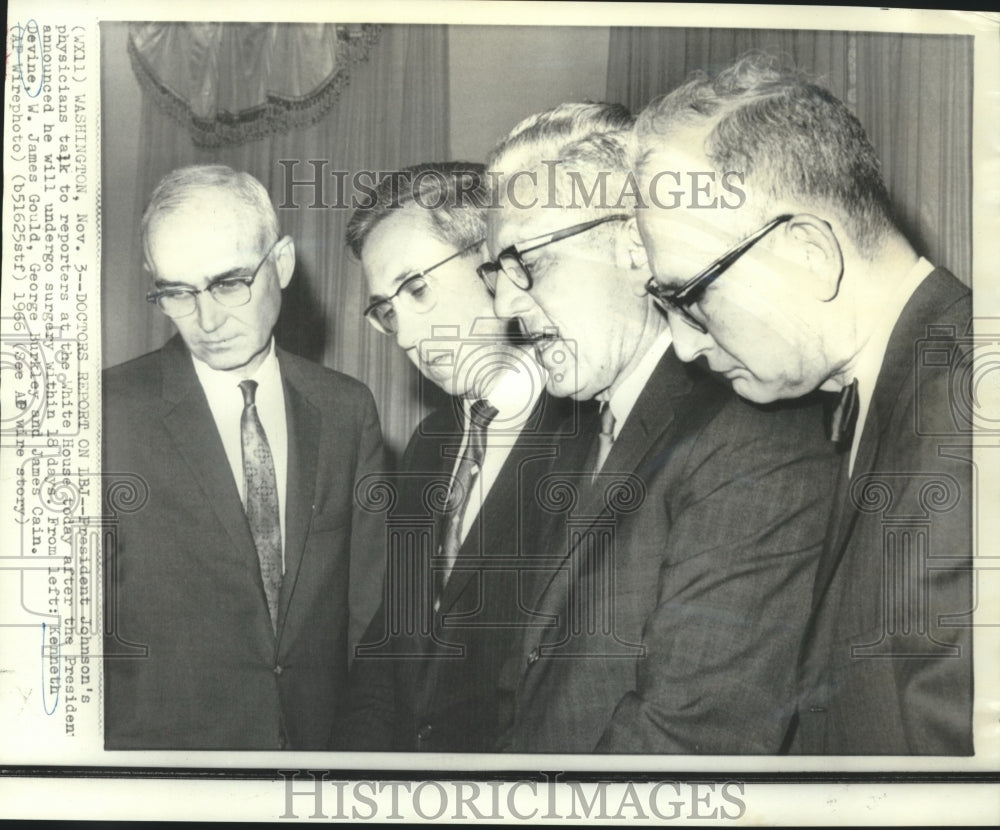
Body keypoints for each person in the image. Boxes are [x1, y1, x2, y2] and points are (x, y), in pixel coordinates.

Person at [635, 54, 973, 754]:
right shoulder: (900, 387)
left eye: (690, 295)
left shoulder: (967, 420)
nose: (684, 345)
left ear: (807, 252)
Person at [480, 102, 839, 753]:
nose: (505, 303)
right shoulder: (577, 429)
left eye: (524, 261)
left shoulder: (749, 434)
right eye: (494, 274)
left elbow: (692, 738)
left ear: (632, 243)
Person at [102, 164, 385, 750]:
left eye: (229, 283)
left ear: (281, 263)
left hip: (317, 766)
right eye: (178, 293)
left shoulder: (346, 411)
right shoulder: (104, 414)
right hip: (162, 773)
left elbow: (371, 620)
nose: (206, 321)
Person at [341, 162, 574, 752]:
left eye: (416, 287)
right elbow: (394, 643)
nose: (408, 335)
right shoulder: (427, 445)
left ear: (493, 260)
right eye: (387, 311)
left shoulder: (587, 434)